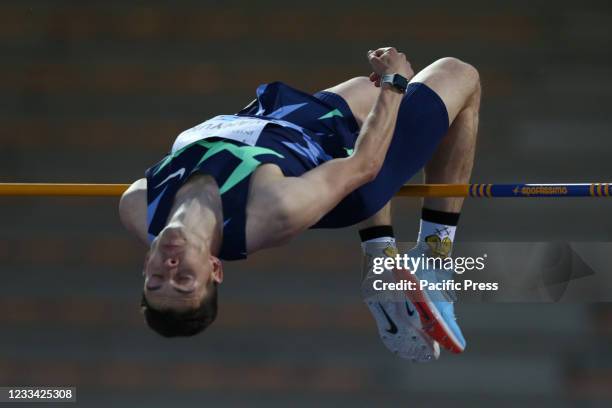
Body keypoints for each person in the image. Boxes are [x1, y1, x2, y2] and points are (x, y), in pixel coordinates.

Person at [118, 47, 480, 361]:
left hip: (280, 121)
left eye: (156, 279)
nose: (169, 265)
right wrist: (395, 83)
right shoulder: (272, 209)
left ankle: (381, 262)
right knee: (459, 74)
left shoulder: (137, 203)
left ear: (145, 265)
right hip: (343, 164)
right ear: (215, 269)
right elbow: (363, 165)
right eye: (183, 278)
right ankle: (434, 259)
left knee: (366, 91)